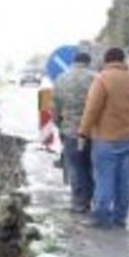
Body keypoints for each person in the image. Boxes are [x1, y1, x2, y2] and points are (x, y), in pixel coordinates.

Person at [78, 47, 129, 228]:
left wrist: (83, 133)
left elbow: (92, 109)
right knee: (124, 179)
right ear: (122, 60)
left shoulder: (102, 80)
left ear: (106, 61)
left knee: (104, 178)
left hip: (106, 139)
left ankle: (101, 217)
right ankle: (120, 217)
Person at [53, 51, 96, 213]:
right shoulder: (96, 79)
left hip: (70, 132)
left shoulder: (61, 79)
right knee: (92, 166)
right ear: (88, 62)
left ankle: (79, 203)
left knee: (76, 167)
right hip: (93, 132)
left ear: (73, 62)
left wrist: (60, 126)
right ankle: (94, 199)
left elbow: (54, 109)